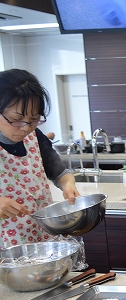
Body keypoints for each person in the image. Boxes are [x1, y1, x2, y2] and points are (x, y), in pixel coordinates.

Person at [0, 69, 80, 248]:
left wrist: (68, 185)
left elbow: (59, 173)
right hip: (5, 249)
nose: (26, 127)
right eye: (17, 119)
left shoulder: (34, 136)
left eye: (34, 119)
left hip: (42, 240)